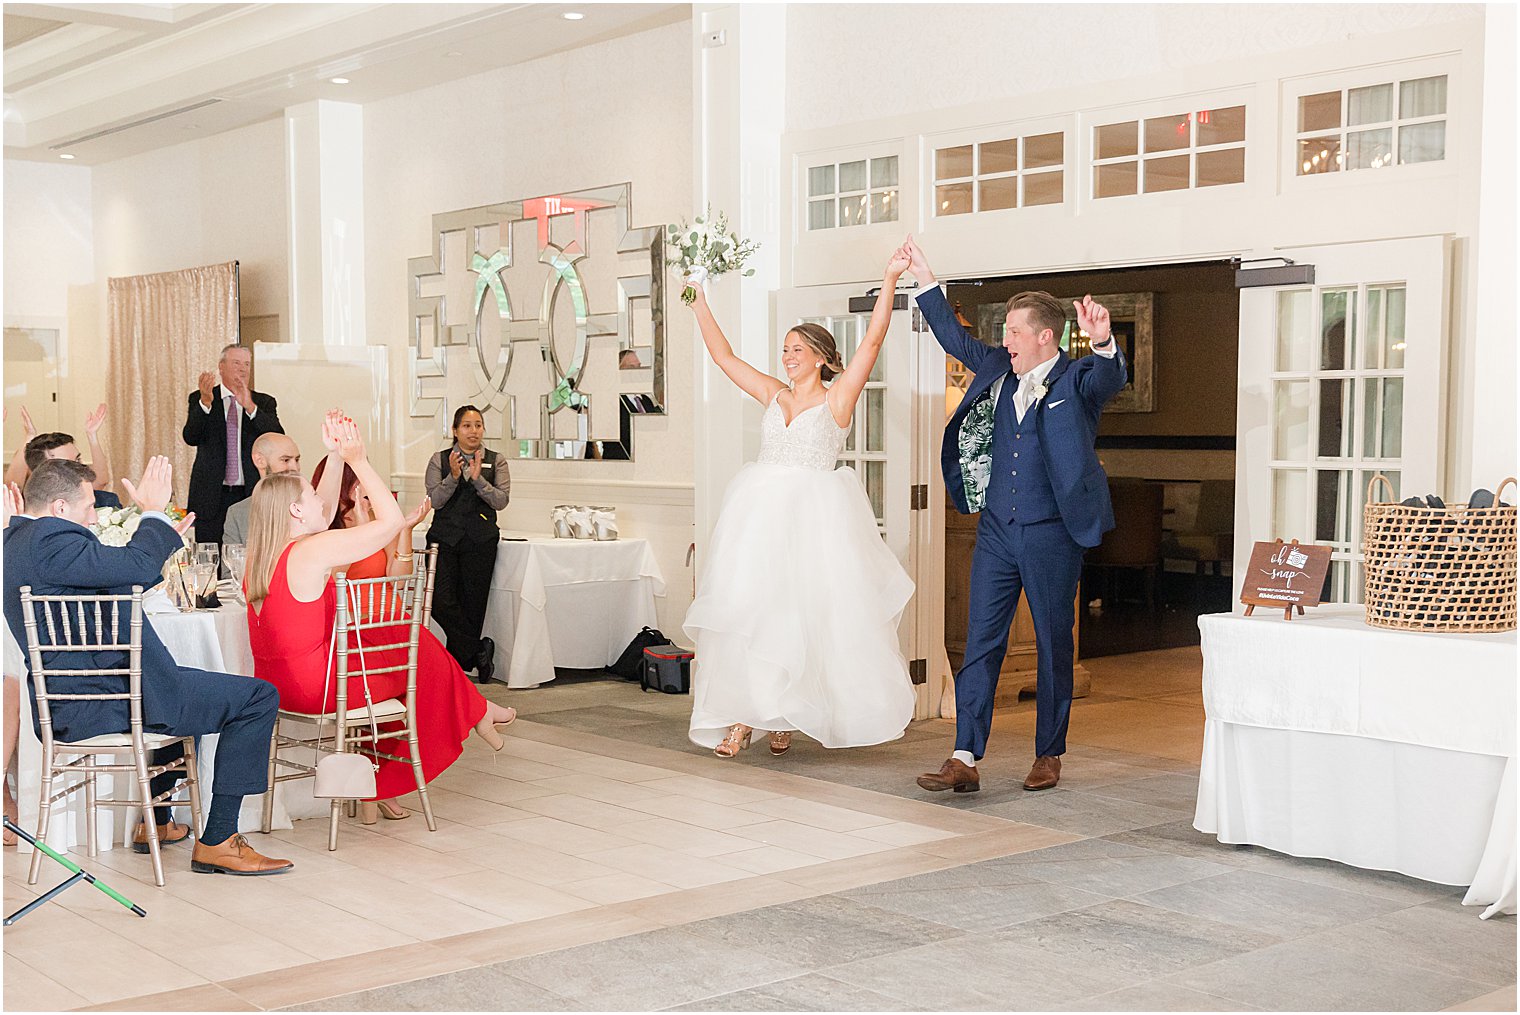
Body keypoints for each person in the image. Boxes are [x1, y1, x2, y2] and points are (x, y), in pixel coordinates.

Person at [903, 234, 1128, 794]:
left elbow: (1110, 378)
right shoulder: (996, 369)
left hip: (1054, 535)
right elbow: (953, 337)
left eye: (1014, 332)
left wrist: (1103, 342)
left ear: (1045, 337)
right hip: (997, 532)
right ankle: (964, 756)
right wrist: (927, 278)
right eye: (1004, 332)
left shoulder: (1076, 380)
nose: (1005, 341)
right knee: (981, 640)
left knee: (1054, 645)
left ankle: (1048, 753)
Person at [3, 457, 292, 875]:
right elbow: (134, 570)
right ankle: (220, 840)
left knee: (197, 689)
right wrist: (152, 512)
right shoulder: (52, 540)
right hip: (106, 699)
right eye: (88, 508)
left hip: (88, 696)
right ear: (60, 509)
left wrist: (157, 534)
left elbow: (120, 577)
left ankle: (154, 820)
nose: (93, 517)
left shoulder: (20, 542)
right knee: (257, 697)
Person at [682, 252, 916, 758]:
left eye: (796, 349)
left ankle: (786, 712)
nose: (786, 357)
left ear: (819, 357)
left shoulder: (837, 399)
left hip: (814, 523)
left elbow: (872, 342)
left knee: (804, 617)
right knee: (755, 611)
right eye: (784, 349)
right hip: (759, 520)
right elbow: (724, 359)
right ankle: (746, 720)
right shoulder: (772, 395)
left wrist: (889, 277)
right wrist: (696, 295)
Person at [244, 413, 516, 821]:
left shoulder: (264, 552)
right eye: (312, 499)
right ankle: (398, 772)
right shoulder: (311, 552)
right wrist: (359, 460)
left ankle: (468, 717)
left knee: (412, 649)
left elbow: (325, 501)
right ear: (297, 513)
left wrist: (335, 457)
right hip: (316, 687)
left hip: (276, 687)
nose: (323, 501)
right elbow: (390, 523)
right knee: (416, 665)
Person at [423, 405, 509, 681]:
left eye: (478, 425)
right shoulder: (439, 459)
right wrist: (454, 477)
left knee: (473, 604)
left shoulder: (496, 461)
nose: (473, 431)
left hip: (480, 540)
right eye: (467, 426)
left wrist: (478, 480)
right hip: (444, 538)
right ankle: (478, 650)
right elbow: (434, 500)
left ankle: (459, 667)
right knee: (438, 600)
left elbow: (501, 500)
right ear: (455, 430)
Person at [182, 343, 283, 544]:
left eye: (247, 364)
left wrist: (250, 407)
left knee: (250, 552)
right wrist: (206, 403)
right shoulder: (201, 398)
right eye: (236, 363)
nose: (243, 369)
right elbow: (190, 437)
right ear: (221, 367)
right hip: (212, 496)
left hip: (251, 494)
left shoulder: (263, 402)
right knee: (210, 555)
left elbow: (278, 438)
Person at [6, 403, 119, 507]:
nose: (79, 468)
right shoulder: (33, 499)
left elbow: (100, 481)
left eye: (78, 459)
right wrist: (29, 437)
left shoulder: (85, 491)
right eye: (68, 463)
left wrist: (92, 435)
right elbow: (13, 486)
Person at [222, 432, 306, 548]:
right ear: (259, 460)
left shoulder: (308, 504)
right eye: (286, 460)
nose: (295, 468)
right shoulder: (238, 513)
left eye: (296, 460)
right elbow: (232, 562)